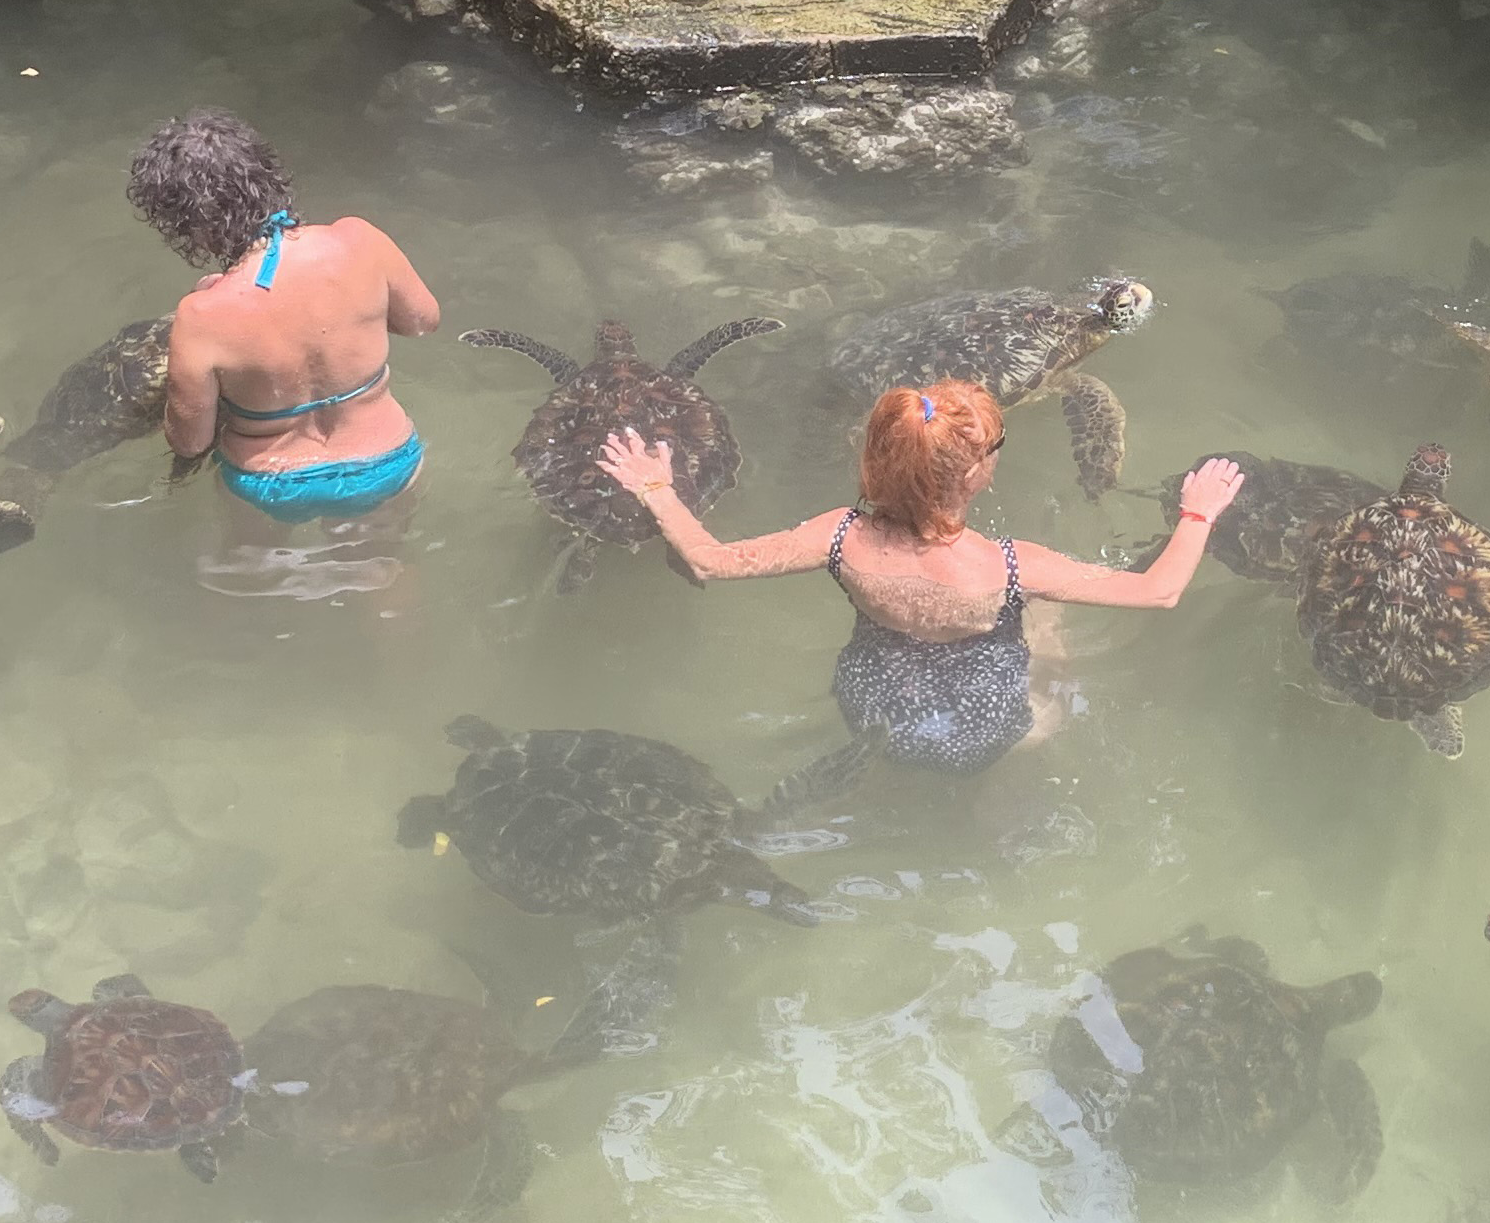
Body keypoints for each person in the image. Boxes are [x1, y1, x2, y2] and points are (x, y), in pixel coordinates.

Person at [598, 387, 1242, 774]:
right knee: (1045, 615)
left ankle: (895, 768)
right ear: (974, 477)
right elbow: (1158, 590)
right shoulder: (1011, 564)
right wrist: (1198, 512)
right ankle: (1000, 777)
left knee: (912, 720)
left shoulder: (840, 535)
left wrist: (654, 486)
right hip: (988, 721)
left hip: (873, 705)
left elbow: (710, 561)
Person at [127, 109, 444, 521]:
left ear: (189, 226)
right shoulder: (359, 240)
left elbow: (190, 443)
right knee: (386, 572)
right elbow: (423, 322)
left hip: (270, 483)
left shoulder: (201, 316)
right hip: (384, 462)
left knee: (251, 574)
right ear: (266, 176)